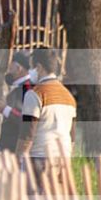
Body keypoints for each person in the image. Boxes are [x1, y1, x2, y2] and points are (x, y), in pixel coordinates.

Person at [16, 47, 77, 178]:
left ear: (39, 67)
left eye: (31, 67)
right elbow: (72, 136)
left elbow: (27, 134)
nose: (30, 72)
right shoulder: (69, 97)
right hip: (63, 160)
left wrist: (17, 160)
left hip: (40, 159)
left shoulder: (34, 94)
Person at [0, 51, 35, 154]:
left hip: (14, 149)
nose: (8, 71)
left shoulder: (28, 88)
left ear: (19, 68)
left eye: (11, 68)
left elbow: (27, 121)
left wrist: (5, 109)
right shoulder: (19, 87)